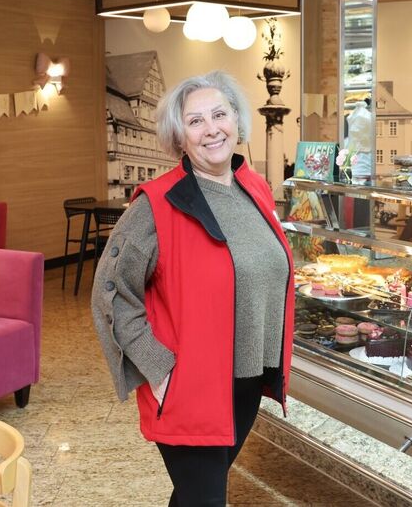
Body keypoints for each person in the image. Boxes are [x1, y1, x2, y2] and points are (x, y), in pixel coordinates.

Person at [91, 70, 295, 506]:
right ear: (179, 137)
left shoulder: (254, 188)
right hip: (189, 386)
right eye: (195, 121)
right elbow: (110, 291)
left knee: (193, 498)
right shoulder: (157, 204)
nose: (211, 129)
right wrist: (156, 368)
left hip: (245, 380)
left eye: (219, 115)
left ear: (236, 120)